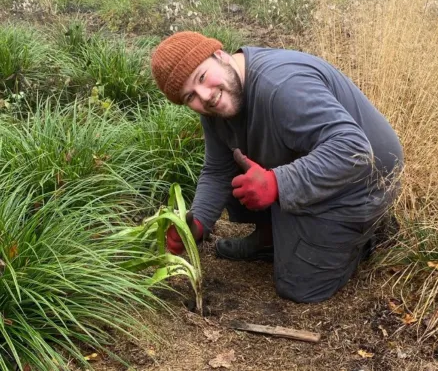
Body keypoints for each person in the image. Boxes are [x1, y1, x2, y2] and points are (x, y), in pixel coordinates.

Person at [150, 31, 403, 303]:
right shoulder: (219, 101)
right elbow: (218, 169)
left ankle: (367, 234)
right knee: (240, 176)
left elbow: (354, 150)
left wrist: (277, 183)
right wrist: (197, 223)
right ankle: (274, 237)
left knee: (300, 287)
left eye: (202, 77)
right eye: (190, 97)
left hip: (365, 180)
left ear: (220, 55)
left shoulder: (282, 87)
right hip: (325, 164)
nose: (206, 96)